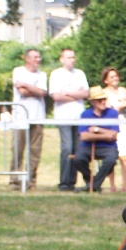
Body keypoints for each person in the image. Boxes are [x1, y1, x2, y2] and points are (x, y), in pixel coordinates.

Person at [49, 48, 89, 191]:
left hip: (79, 118)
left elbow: (86, 93)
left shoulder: (80, 74)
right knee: (67, 148)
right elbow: (56, 96)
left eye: (73, 57)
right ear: (62, 59)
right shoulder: (56, 74)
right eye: (68, 57)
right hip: (63, 117)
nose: (72, 60)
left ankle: (73, 181)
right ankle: (64, 182)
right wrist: (76, 94)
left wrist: (67, 93)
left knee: (77, 150)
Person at [9, 48, 47, 191]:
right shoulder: (18, 71)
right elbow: (22, 92)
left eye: (39, 57)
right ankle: (14, 181)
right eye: (35, 57)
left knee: (35, 151)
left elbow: (42, 92)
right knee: (17, 149)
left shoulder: (42, 75)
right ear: (27, 58)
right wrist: (32, 89)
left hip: (37, 117)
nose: (38, 60)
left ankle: (30, 181)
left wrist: (26, 85)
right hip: (20, 117)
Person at [71, 87, 120, 193]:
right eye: (99, 100)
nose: (103, 102)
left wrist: (96, 130)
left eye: (104, 99)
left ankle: (91, 186)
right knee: (78, 159)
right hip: (87, 146)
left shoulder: (113, 113)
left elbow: (113, 135)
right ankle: (93, 184)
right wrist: (105, 134)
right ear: (93, 102)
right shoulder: (86, 114)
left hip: (108, 146)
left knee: (111, 159)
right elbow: (84, 136)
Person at [102, 67, 126, 192]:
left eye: (116, 76)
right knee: (112, 155)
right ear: (106, 80)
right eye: (112, 77)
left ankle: (124, 185)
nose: (115, 79)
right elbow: (107, 111)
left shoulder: (122, 90)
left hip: (125, 124)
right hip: (111, 125)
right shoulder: (104, 93)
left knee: (125, 156)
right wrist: (120, 106)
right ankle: (112, 186)